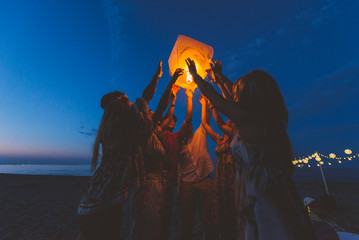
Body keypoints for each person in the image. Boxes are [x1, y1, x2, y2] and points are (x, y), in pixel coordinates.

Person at [186, 58, 316, 240]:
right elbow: (232, 98)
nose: (234, 95)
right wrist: (220, 78)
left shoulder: (250, 119)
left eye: (238, 92)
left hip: (262, 192)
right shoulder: (263, 118)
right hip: (266, 187)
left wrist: (195, 76)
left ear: (250, 96)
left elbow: (219, 100)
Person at [77, 61, 163, 240]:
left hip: (90, 203)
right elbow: (147, 119)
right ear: (122, 106)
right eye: (128, 99)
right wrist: (141, 101)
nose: (133, 102)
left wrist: (156, 78)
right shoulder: (126, 131)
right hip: (103, 208)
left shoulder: (111, 129)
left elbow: (145, 98)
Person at [131, 68, 184, 240]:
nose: (154, 113)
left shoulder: (154, 132)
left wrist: (173, 96)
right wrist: (168, 79)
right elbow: (158, 104)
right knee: (148, 230)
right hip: (149, 186)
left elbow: (166, 113)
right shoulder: (143, 132)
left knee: (157, 229)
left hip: (160, 183)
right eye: (150, 113)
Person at [177, 88, 216, 240]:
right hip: (187, 184)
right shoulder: (179, 145)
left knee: (208, 216)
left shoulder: (200, 134)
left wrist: (203, 103)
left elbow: (206, 120)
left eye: (190, 126)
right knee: (187, 218)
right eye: (186, 126)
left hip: (205, 179)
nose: (189, 127)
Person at [199, 94, 237, 240]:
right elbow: (205, 124)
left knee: (234, 213)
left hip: (233, 179)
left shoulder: (235, 136)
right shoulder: (220, 139)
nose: (227, 121)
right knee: (223, 215)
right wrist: (205, 103)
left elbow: (219, 122)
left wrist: (213, 103)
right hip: (221, 180)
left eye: (230, 121)